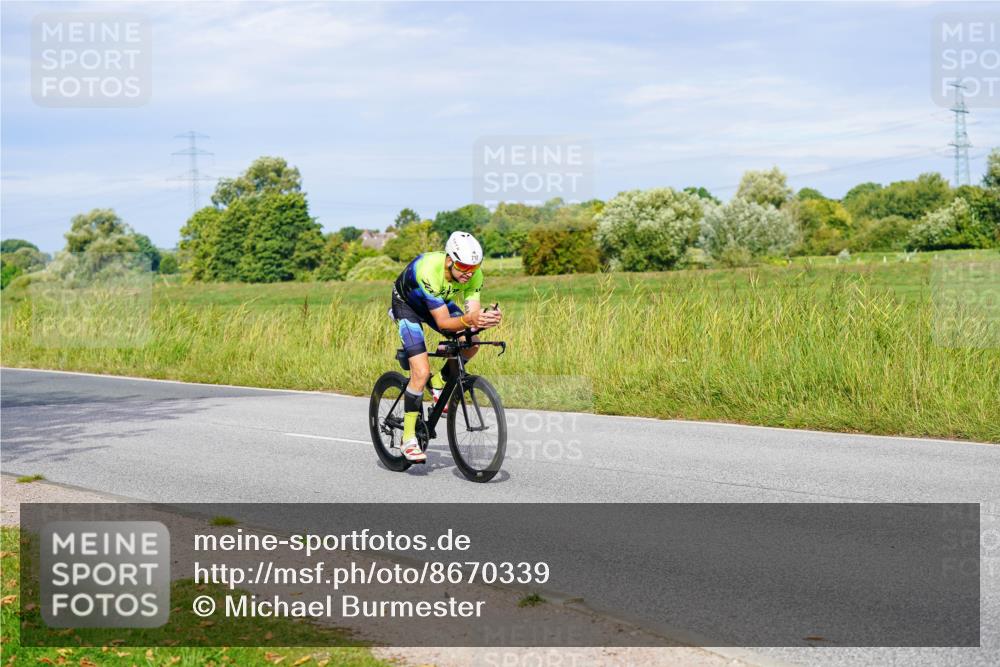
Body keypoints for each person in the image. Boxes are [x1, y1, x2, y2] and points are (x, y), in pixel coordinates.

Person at [389, 231, 502, 463]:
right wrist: (471, 320)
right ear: (450, 260)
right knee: (420, 372)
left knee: (471, 342)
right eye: (464, 266)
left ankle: (439, 381)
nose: (469, 272)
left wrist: (483, 319)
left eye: (474, 267)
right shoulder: (428, 270)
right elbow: (443, 323)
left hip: (437, 303)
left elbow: (471, 317)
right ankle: (408, 438)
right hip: (408, 306)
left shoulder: (473, 275)